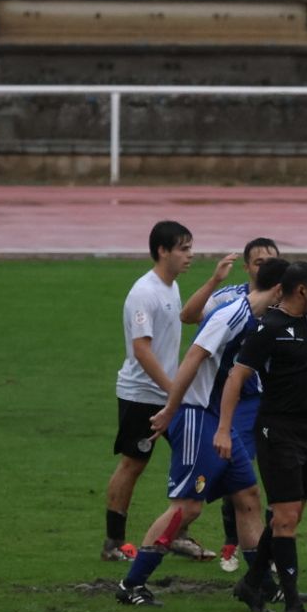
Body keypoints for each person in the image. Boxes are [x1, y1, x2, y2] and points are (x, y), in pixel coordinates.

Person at [180, 210, 307, 569]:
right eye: (260, 261)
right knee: (231, 474)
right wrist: (213, 282)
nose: (268, 265)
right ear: (250, 268)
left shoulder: (300, 311)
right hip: (233, 401)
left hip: (273, 399)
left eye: (273, 260)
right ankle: (211, 536)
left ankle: (256, 562)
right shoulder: (232, 305)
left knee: (256, 485)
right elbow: (190, 320)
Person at [113, 257, 289, 606]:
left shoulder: (256, 318)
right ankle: (132, 584)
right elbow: (193, 357)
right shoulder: (232, 315)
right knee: (187, 507)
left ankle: (259, 583)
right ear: (280, 290)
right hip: (196, 417)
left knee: (247, 496)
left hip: (214, 418)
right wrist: (171, 409)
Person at [216, 261, 307, 612]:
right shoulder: (268, 329)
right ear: (300, 291)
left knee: (287, 517)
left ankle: (250, 583)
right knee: (287, 518)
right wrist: (223, 429)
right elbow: (236, 378)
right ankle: (292, 603)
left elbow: (305, 385)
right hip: (276, 432)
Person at [102, 220, 193, 562]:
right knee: (133, 464)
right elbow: (142, 350)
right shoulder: (145, 292)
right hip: (142, 396)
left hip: (168, 394)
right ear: (162, 251)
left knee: (192, 457)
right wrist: (174, 391)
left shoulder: (171, 287)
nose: (190, 255)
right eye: (183, 249)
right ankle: (113, 543)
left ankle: (179, 533)